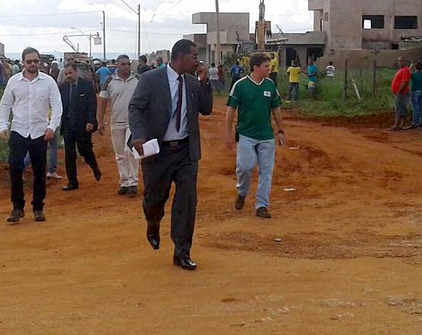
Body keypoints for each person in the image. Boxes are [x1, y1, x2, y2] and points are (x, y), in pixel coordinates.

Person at [128, 39, 212, 271]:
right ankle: (152, 223)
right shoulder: (151, 79)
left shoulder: (194, 83)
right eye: (194, 56)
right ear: (181, 56)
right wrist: (138, 134)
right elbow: (135, 107)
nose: (197, 61)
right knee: (155, 199)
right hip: (158, 150)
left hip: (186, 151)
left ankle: (182, 251)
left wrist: (205, 82)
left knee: (186, 201)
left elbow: (206, 109)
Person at [0, 47, 62, 223]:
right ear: (23, 62)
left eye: (36, 61)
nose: (33, 64)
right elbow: (4, 105)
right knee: (15, 168)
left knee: (39, 170)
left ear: (39, 62)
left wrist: (52, 126)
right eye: (29, 61)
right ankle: (17, 208)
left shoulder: (48, 82)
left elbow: (57, 105)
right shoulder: (14, 82)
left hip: (40, 132)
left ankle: (38, 207)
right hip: (18, 130)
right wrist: (3, 125)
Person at [225, 52, 284, 219]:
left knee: (267, 171)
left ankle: (262, 205)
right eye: (266, 66)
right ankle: (242, 192)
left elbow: (276, 109)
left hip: (266, 135)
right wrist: (227, 134)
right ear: (255, 67)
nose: (269, 69)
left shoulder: (270, 85)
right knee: (245, 167)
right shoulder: (241, 85)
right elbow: (230, 111)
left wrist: (281, 130)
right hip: (246, 135)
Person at [97, 55, 140, 195]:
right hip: (116, 122)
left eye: (128, 64)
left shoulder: (138, 80)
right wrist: (99, 121)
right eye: (123, 64)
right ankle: (124, 182)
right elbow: (102, 102)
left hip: (133, 122)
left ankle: (133, 182)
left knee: (130, 151)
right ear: (117, 65)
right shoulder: (109, 81)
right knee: (120, 154)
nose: (126, 66)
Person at [59, 62, 101, 191]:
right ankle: (72, 181)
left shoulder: (87, 85)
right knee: (69, 154)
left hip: (83, 125)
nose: (68, 76)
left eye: (70, 73)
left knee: (85, 150)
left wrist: (91, 121)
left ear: (76, 72)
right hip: (68, 125)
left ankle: (94, 167)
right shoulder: (63, 88)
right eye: (66, 74)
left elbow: (92, 105)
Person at [389, 56, 411, 131]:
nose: (399, 62)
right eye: (398, 61)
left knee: (398, 108)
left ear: (405, 62)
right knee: (401, 108)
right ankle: (401, 124)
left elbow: (405, 81)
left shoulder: (405, 70)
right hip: (401, 93)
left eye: (401, 61)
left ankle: (396, 125)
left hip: (402, 93)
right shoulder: (402, 70)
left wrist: (399, 91)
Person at [409, 61, 422, 128]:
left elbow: (408, 74)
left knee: (415, 107)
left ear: (415, 67)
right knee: (421, 107)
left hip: (415, 91)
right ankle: (421, 121)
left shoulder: (413, 74)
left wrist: (411, 66)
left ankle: (415, 122)